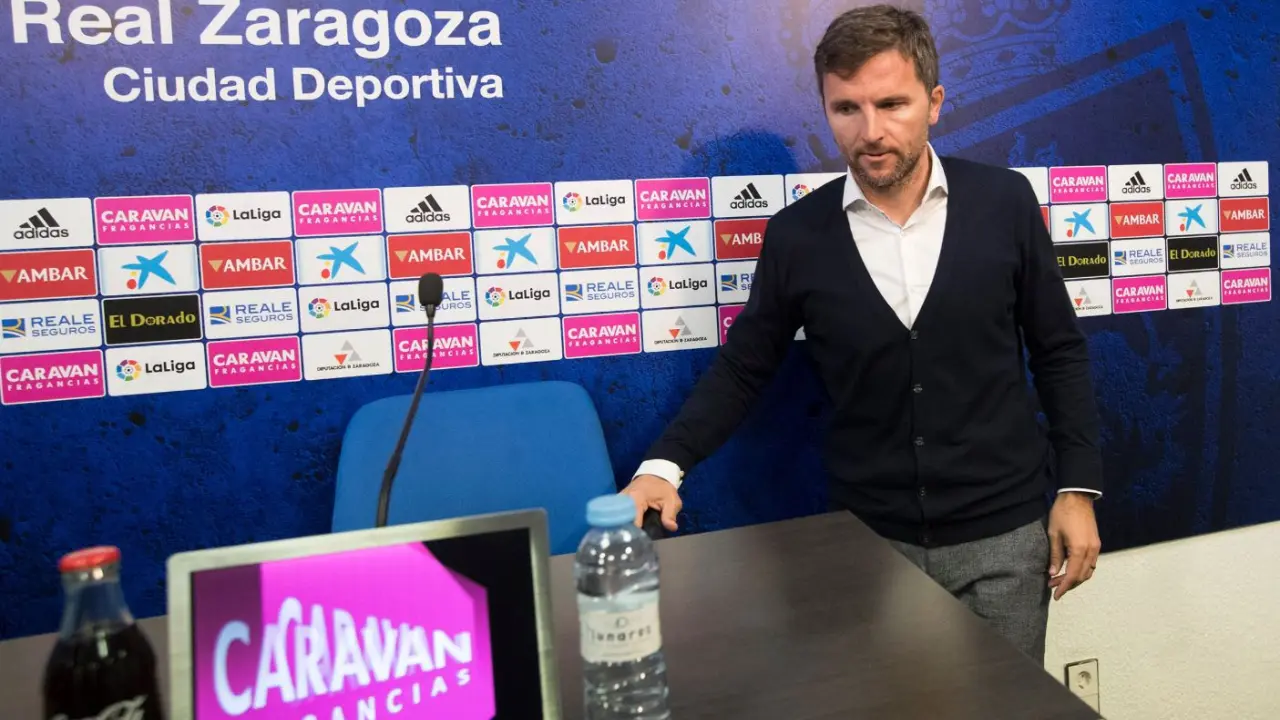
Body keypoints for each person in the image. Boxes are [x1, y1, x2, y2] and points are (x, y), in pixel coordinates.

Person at [621, 4, 1103, 664]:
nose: (870, 132)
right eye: (846, 108)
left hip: (1004, 542)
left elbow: (1058, 350)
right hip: (871, 545)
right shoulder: (797, 235)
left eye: (892, 104)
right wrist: (663, 465)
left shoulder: (1005, 202)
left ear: (934, 103)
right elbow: (743, 368)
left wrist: (1077, 488)